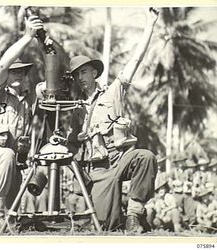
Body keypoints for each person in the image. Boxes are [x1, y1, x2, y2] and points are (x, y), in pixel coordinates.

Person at [68, 8, 159, 232]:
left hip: (120, 160)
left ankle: (135, 214)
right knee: (105, 225)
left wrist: (150, 25)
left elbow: (136, 60)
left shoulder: (113, 92)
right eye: (77, 74)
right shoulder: (75, 109)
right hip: (97, 170)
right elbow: (72, 146)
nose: (81, 78)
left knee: (145, 157)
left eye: (85, 72)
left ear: (94, 73)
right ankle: (116, 215)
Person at [0, 14, 45, 233]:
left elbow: (50, 85)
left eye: (22, 71)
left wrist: (43, 42)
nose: (18, 74)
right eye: (14, 70)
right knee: (6, 155)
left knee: (13, 223)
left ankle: (3, 218)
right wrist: (27, 36)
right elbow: (3, 63)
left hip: (11, 169)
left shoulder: (28, 100)